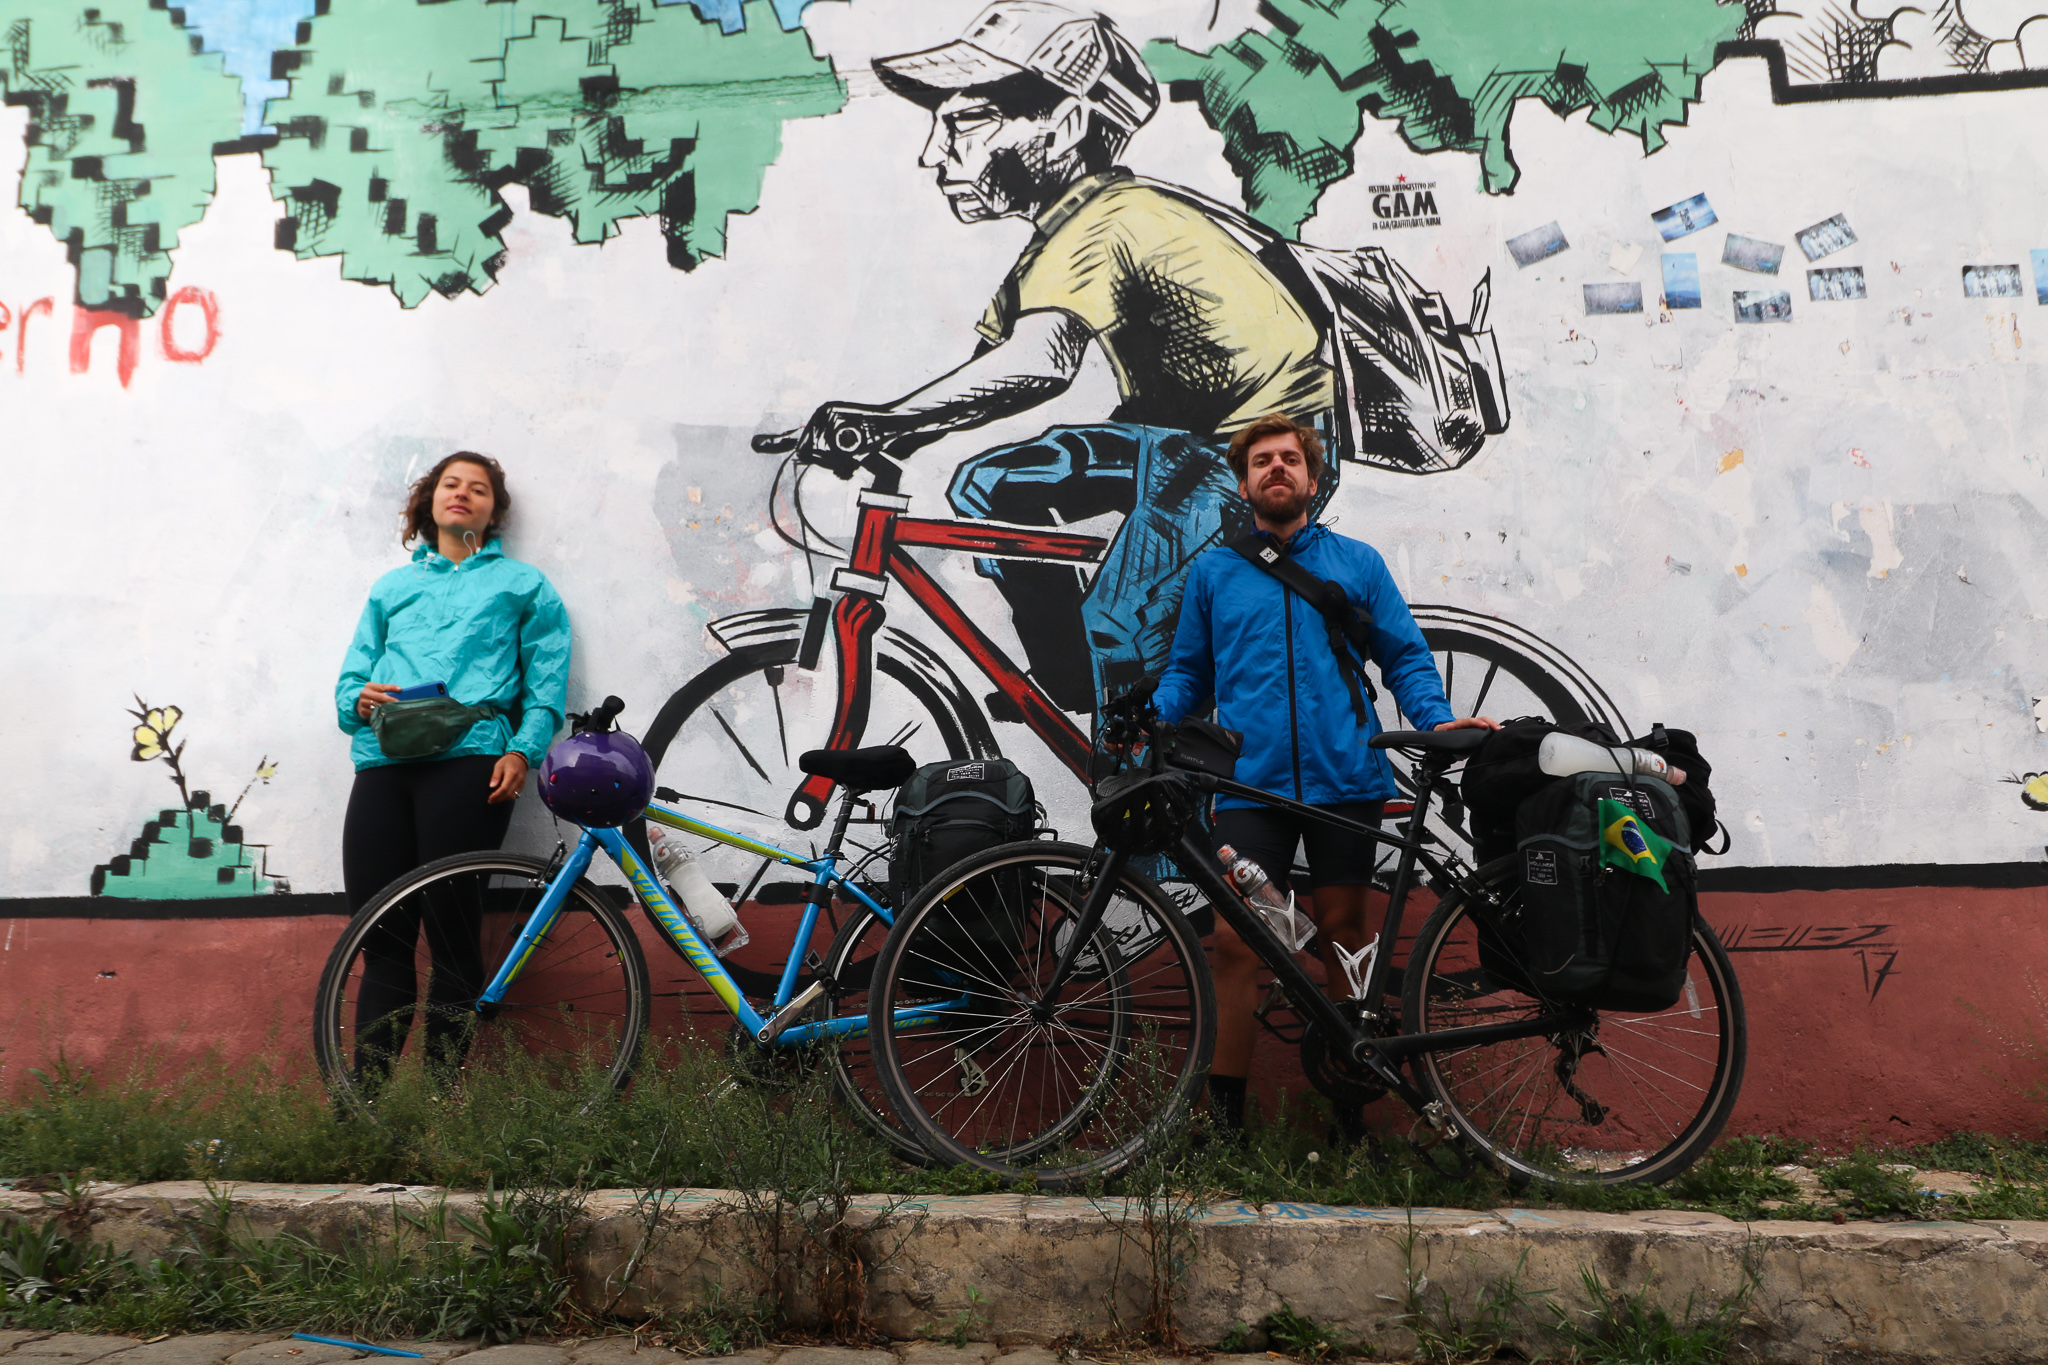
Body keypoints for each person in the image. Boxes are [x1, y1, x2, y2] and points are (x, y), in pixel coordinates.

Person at [1149, 414, 1497, 1140]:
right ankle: (1225, 1124)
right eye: (1262, 461)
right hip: (1250, 787)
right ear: (1243, 482)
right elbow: (1189, 672)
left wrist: (1433, 718)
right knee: (1239, 940)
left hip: (1346, 777)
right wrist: (1152, 718)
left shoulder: (1357, 563)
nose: (1277, 469)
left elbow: (1403, 656)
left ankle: (1350, 1114)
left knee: (1345, 935)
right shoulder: (1215, 573)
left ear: (1311, 478)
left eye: (1289, 460)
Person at [335, 452, 571, 1081]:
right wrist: (356, 698)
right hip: (383, 765)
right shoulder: (391, 588)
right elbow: (351, 683)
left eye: (479, 489)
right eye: (450, 485)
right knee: (381, 937)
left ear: (495, 511)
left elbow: (546, 687)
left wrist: (521, 751)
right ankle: (363, 1111)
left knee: (450, 934)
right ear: (429, 501)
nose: (462, 495)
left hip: (470, 764)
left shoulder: (524, 586)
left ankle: (440, 1105)